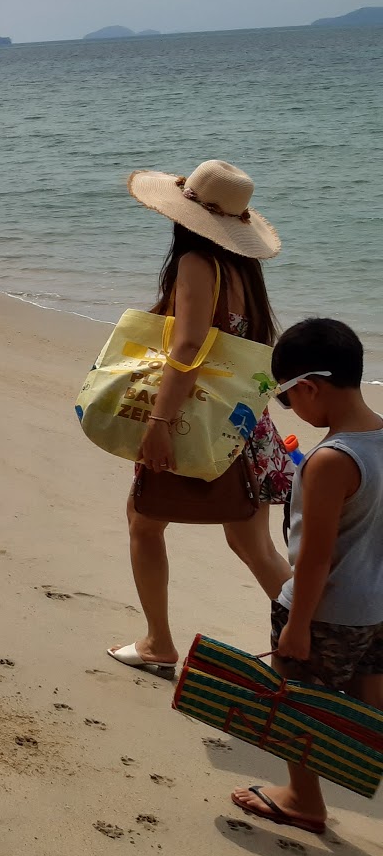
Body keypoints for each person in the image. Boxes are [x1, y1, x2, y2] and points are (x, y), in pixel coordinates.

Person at [108, 160, 294, 676]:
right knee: (254, 547)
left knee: (143, 524)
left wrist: (160, 423)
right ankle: (321, 645)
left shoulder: (195, 263)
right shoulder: (245, 273)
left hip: (194, 420)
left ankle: (158, 644)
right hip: (245, 424)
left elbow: (188, 345)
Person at [229, 318, 383, 834]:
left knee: (295, 698)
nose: (292, 411)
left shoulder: (329, 461)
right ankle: (358, 768)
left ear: (311, 387)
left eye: (289, 400)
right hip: (377, 609)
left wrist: (296, 626)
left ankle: (302, 799)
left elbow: (315, 560)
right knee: (368, 708)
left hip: (326, 612)